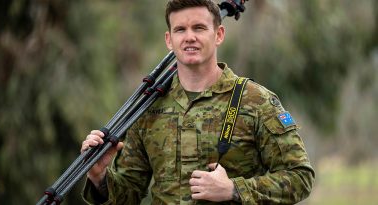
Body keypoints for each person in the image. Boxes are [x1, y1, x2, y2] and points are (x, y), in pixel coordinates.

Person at [81, 0, 315, 204]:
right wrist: (99, 176)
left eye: (199, 28)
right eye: (180, 29)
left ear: (219, 35)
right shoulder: (148, 106)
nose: (189, 36)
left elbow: (300, 177)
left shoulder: (256, 101)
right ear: (169, 40)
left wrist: (234, 190)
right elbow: (129, 194)